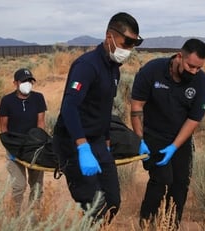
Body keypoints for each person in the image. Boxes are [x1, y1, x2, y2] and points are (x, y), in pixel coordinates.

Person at [52, 12, 143, 224]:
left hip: (98, 142)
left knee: (112, 203)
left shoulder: (114, 70)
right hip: (73, 143)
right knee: (96, 207)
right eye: (125, 42)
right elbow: (69, 107)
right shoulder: (87, 66)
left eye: (133, 44)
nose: (128, 49)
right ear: (109, 36)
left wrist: (107, 143)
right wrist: (82, 147)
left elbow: (104, 109)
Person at [130, 38, 205, 228]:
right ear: (179, 57)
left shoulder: (201, 82)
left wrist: (175, 146)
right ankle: (146, 222)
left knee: (181, 183)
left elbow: (194, 119)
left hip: (180, 139)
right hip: (153, 136)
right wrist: (140, 140)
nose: (194, 72)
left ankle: (171, 224)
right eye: (191, 66)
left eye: (199, 68)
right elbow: (136, 106)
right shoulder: (152, 70)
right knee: (162, 179)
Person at [0, 68, 47, 214]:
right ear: (15, 83)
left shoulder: (38, 98)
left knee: (36, 185)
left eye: (30, 81)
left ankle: (34, 215)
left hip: (34, 147)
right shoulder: (7, 101)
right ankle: (15, 216)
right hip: (15, 148)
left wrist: (39, 144)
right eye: (24, 81)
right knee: (19, 186)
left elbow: (41, 123)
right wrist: (10, 150)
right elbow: (3, 128)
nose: (28, 84)